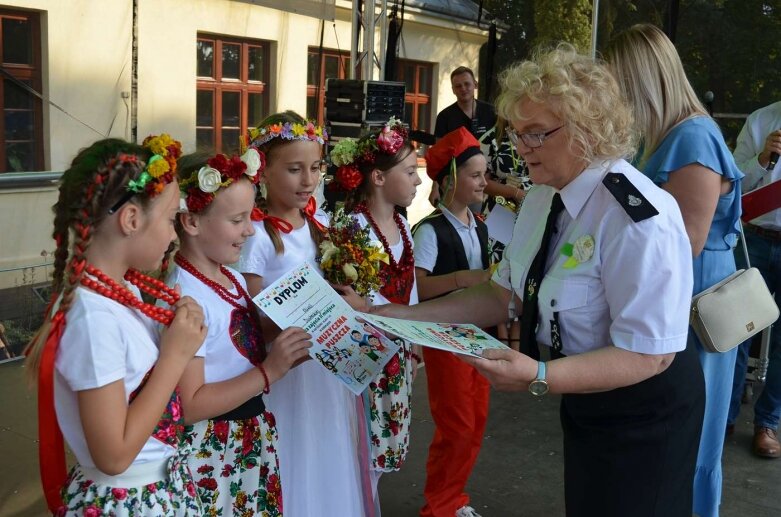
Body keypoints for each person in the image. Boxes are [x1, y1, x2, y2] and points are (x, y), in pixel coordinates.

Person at [374, 45, 704, 517]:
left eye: (536, 134)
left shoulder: (636, 217)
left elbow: (649, 354)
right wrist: (402, 316)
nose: (520, 147)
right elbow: (500, 294)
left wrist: (540, 377)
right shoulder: (541, 199)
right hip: (584, 393)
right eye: (517, 133)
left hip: (645, 411)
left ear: (587, 130)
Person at [25, 136, 207, 515]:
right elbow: (114, 455)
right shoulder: (93, 319)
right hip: (126, 501)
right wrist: (174, 357)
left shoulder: (121, 290)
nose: (175, 234)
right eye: (171, 218)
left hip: (152, 489)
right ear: (131, 219)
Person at [606, 24, 744, 517]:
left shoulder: (694, 137)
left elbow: (685, 242)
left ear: (641, 80)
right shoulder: (671, 135)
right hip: (680, 298)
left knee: (695, 436)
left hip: (696, 302)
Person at [239, 111, 372, 516]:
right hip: (288, 369)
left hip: (325, 367)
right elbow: (250, 318)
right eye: (295, 169)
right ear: (263, 171)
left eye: (315, 167)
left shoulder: (324, 224)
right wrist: (300, 311)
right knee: (295, 453)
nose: (308, 180)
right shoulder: (256, 236)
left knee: (329, 449)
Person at [167, 148, 313, 514]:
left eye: (250, 217)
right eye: (238, 220)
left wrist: (288, 341)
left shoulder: (229, 277)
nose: (250, 229)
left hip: (246, 439)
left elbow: (238, 346)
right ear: (192, 222)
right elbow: (191, 403)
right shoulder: (186, 296)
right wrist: (270, 371)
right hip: (213, 450)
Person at [330, 118, 423, 510]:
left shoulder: (403, 226)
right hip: (366, 360)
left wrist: (416, 345)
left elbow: (412, 292)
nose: (418, 181)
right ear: (379, 178)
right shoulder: (352, 229)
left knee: (381, 456)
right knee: (359, 452)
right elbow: (348, 302)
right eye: (410, 171)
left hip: (397, 357)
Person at [411, 126, 493, 517]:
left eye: (484, 174)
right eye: (476, 175)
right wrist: (465, 280)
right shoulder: (430, 230)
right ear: (452, 181)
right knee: (456, 426)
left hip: (479, 338)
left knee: (474, 422)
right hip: (445, 340)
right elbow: (419, 289)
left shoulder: (479, 224)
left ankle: (453, 498)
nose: (484, 183)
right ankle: (439, 506)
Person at [727, 101, 781, 458]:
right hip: (756, 239)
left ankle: (768, 422)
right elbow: (732, 180)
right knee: (735, 331)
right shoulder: (762, 119)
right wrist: (763, 159)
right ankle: (725, 417)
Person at [429, 66, 497, 207]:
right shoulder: (444, 117)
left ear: (475, 84)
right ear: (453, 89)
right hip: (455, 186)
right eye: (458, 86)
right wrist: (435, 187)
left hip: (487, 183)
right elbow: (439, 156)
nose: (463, 89)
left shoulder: (491, 112)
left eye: (467, 84)